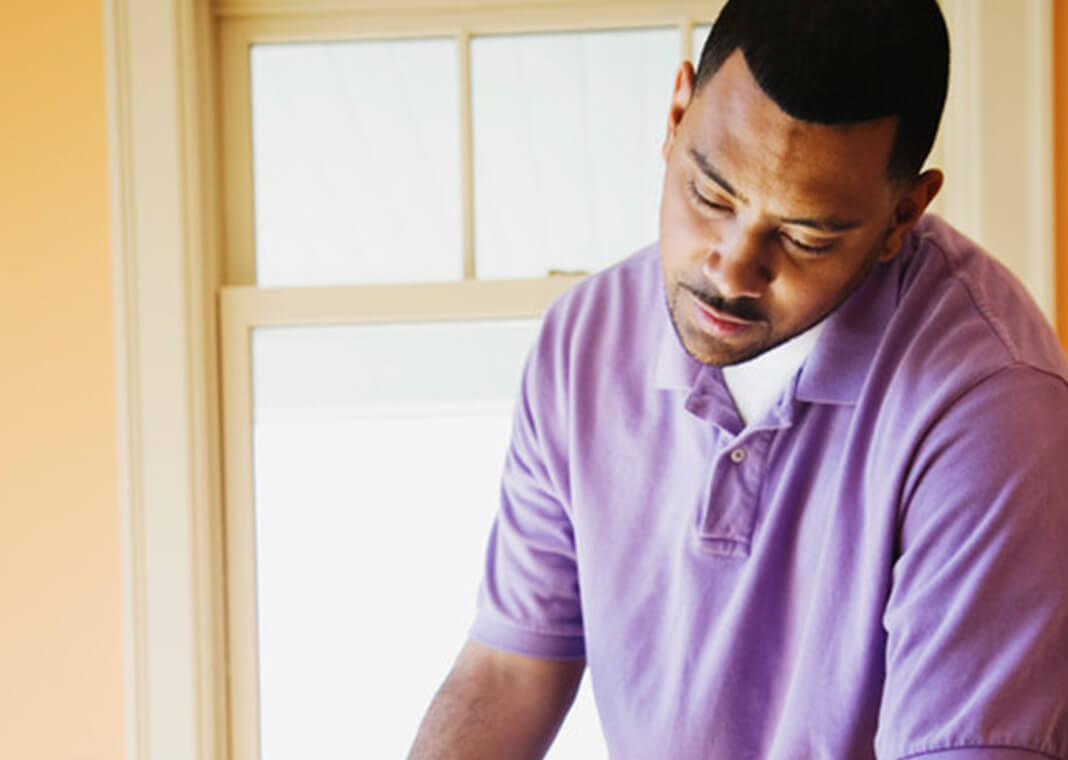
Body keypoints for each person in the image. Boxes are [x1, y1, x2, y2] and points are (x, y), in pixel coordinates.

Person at [408, 0, 1068, 757]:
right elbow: (508, 670)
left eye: (805, 235)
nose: (731, 268)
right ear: (677, 110)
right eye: (711, 195)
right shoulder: (581, 344)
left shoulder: (990, 403)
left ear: (902, 215)